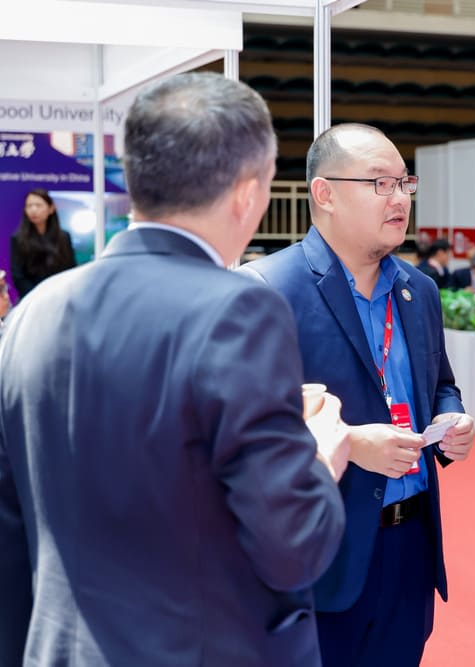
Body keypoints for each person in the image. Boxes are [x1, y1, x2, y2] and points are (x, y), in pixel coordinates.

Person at [0, 72, 348, 666]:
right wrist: (320, 455)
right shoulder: (238, 309)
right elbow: (294, 544)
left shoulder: (35, 310)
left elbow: (11, 534)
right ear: (247, 193)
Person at [240, 123, 475, 667]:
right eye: (379, 183)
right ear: (324, 193)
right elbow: (246, 432)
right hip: (321, 554)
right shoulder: (268, 289)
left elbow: (440, 384)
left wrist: (451, 419)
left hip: (410, 545)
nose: (400, 199)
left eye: (404, 183)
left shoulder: (419, 290)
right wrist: (347, 441)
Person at [8, 188, 77, 300]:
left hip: (59, 296)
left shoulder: (64, 237)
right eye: (29, 206)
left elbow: (70, 269)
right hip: (31, 298)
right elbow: (18, 276)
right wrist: (37, 297)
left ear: (51, 208)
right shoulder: (18, 239)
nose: (33, 210)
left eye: (38, 205)